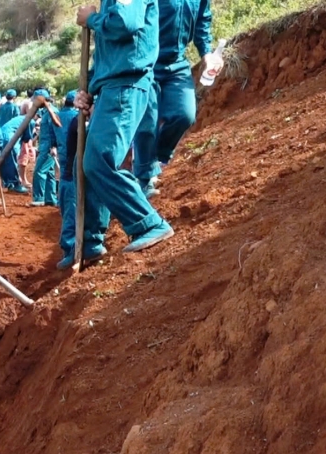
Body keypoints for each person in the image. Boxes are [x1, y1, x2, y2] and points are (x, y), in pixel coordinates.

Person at [76, 0, 176, 254]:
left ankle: (148, 223)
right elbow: (112, 52)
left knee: (99, 160)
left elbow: (124, 23)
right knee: (87, 160)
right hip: (113, 86)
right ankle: (90, 241)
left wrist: (92, 20)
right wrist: (88, 89)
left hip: (125, 85)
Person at [132, 0, 217, 198]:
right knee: (148, 121)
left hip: (177, 63)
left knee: (185, 114)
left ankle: (156, 158)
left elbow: (202, 20)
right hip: (147, 62)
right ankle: (144, 178)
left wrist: (206, 53)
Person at [56, 113, 112, 268]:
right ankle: (70, 253)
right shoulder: (79, 121)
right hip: (73, 179)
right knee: (71, 217)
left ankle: (79, 251)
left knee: (78, 215)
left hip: (80, 177)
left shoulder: (89, 120)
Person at [30, 88, 60, 207]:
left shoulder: (53, 112)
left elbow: (55, 130)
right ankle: (50, 198)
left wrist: (53, 146)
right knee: (49, 173)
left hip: (48, 147)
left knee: (40, 171)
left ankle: (39, 198)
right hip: (45, 146)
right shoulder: (47, 112)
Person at [0, 106, 34, 193]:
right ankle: (15, 184)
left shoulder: (20, 118)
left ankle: (7, 182)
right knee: (12, 161)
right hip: (10, 138)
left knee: (3, 161)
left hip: (2, 135)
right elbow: (26, 138)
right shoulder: (31, 121)